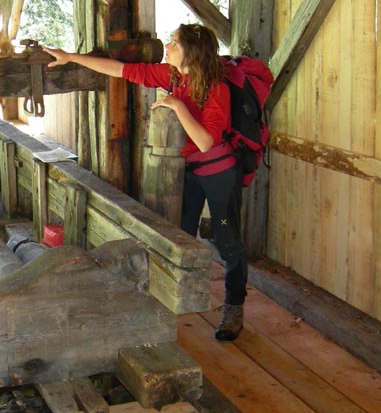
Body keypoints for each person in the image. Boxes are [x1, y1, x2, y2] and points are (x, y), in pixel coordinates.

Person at [43, 24, 247, 340]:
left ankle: (234, 306)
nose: (167, 45)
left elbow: (206, 141)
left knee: (227, 240)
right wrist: (70, 57)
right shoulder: (173, 76)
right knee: (179, 233)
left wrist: (176, 105)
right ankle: (171, 301)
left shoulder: (216, 89)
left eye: (174, 42)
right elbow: (122, 70)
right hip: (191, 171)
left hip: (219, 172)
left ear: (191, 50)